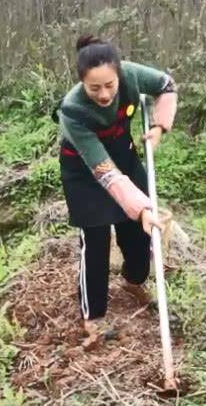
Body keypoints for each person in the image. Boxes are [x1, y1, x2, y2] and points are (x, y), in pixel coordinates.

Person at [53, 35, 177, 342]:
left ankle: (134, 281)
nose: (104, 94)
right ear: (81, 82)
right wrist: (143, 207)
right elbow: (106, 175)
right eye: (94, 88)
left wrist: (160, 126)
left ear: (119, 73)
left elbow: (167, 85)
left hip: (123, 152)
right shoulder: (73, 111)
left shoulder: (131, 75)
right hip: (85, 170)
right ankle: (92, 315)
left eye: (110, 85)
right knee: (95, 239)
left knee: (136, 230)